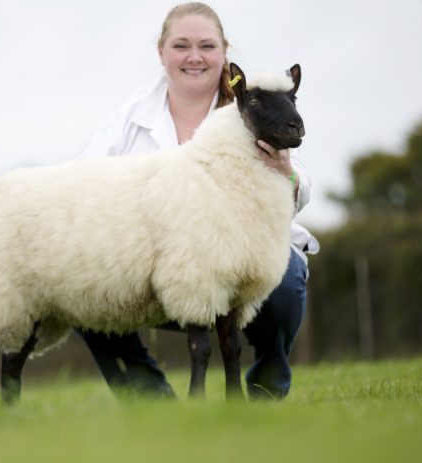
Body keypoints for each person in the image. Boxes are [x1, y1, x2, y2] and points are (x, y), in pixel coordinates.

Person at [78, 2, 319, 399]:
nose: (194, 57)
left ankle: (265, 391)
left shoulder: (256, 105)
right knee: (77, 279)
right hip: (159, 270)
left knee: (288, 275)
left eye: (207, 46)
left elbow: (301, 182)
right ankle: (149, 399)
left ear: (224, 52)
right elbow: (87, 180)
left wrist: (285, 173)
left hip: (240, 262)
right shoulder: (131, 117)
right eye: (181, 46)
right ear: (161, 52)